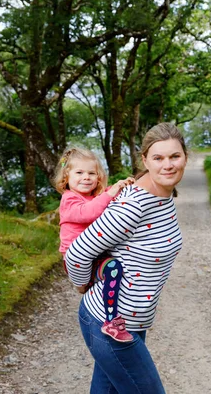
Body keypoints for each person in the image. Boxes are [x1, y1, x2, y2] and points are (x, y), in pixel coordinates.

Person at [65, 123, 187, 394]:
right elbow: (76, 253)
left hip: (132, 321)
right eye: (158, 158)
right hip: (108, 324)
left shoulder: (162, 196)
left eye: (174, 156)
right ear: (144, 160)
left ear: (185, 157)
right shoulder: (134, 205)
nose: (168, 165)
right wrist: (83, 284)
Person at [53, 147, 135, 342]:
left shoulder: (94, 197)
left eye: (91, 173)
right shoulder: (69, 199)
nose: (86, 177)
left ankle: (110, 321)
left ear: (98, 177)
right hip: (76, 258)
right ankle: (84, 285)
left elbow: (103, 200)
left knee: (114, 268)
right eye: (79, 173)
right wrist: (110, 194)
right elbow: (88, 212)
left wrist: (121, 187)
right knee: (96, 277)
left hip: (97, 256)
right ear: (66, 178)